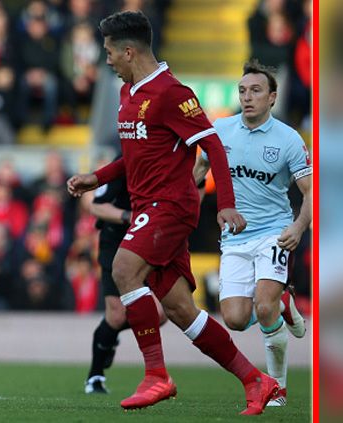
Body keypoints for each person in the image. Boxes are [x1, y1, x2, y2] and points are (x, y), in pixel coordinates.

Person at [66, 11, 278, 415]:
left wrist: (227, 203)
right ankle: (256, 380)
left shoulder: (171, 93)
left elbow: (213, 146)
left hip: (171, 206)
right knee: (181, 310)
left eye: (110, 52)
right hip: (148, 205)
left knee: (124, 269)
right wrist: (97, 177)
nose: (106, 59)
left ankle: (156, 376)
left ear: (129, 51)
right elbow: (134, 158)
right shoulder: (129, 94)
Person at [193, 60, 310, 407]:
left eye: (256, 91)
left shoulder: (288, 139)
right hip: (234, 236)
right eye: (242, 90)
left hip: (274, 232)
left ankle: (278, 388)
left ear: (272, 98)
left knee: (263, 306)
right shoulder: (221, 130)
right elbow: (198, 173)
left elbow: (310, 190)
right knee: (234, 318)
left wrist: (299, 226)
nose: (247, 97)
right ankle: (284, 302)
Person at [83, 163, 167, 394]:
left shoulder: (169, 159)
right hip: (116, 241)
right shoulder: (125, 161)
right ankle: (95, 376)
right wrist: (129, 216)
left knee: (160, 314)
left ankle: (108, 334)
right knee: (117, 313)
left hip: (150, 241)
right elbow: (97, 207)